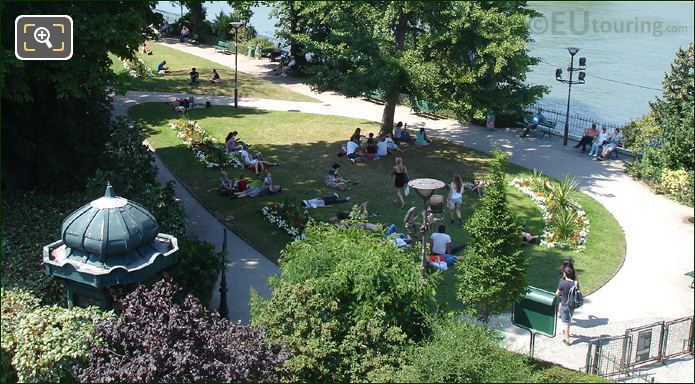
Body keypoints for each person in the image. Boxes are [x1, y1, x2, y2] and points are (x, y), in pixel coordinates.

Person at [556, 266, 578, 345]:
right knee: (568, 320)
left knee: (565, 322)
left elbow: (557, 294)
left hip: (564, 305)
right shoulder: (575, 283)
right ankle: (566, 332)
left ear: (565, 274)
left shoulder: (562, 283)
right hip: (572, 305)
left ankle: (567, 339)